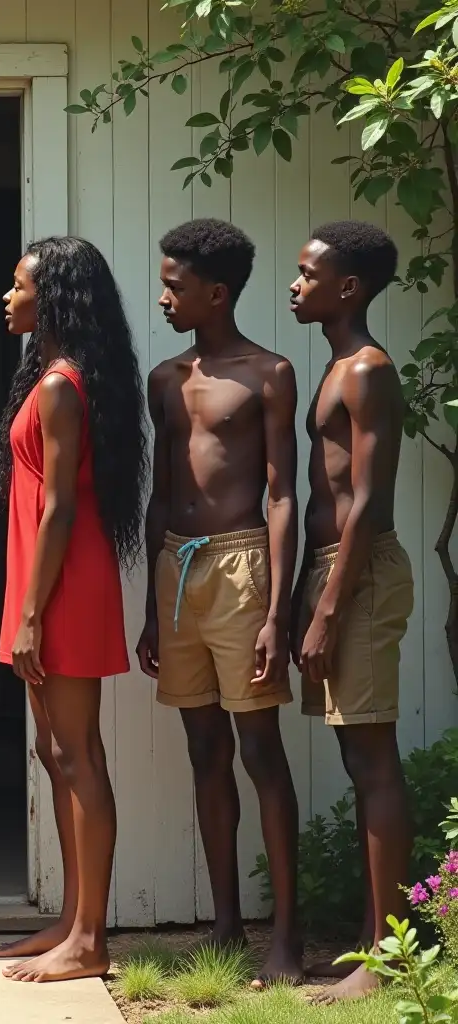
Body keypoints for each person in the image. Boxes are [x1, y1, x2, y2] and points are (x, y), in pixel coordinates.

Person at [137, 219, 302, 986]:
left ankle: (287, 936)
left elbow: (280, 495)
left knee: (261, 750)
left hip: (242, 570)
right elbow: (160, 493)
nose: (164, 296)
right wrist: (148, 603)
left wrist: (276, 610)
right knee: (205, 749)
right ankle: (227, 921)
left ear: (217, 292)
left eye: (175, 285)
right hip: (178, 571)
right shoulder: (165, 379)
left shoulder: (269, 373)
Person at [0, 236, 148, 983]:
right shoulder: (51, 375)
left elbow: (58, 510)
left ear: (52, 298)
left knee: (78, 755)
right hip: (42, 579)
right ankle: (71, 919)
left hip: (62, 583)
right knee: (54, 754)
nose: (8, 296)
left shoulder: (60, 384)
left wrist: (30, 614)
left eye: (19, 286)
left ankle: (91, 939)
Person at [289, 221, 414, 1003]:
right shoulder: (337, 365)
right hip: (336, 573)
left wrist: (329, 609)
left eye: (309, 275)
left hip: (358, 576)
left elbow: (367, 504)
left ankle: (387, 962)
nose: (296, 285)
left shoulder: (367, 371)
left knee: (374, 761)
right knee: (357, 758)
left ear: (349, 288)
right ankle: (376, 944)